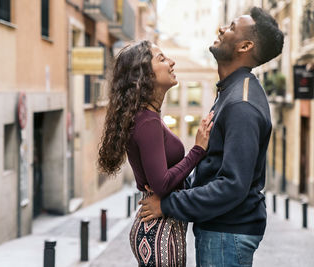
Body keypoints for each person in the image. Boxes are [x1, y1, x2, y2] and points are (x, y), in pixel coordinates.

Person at [139, 7, 284, 267]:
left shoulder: (242, 103)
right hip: (221, 232)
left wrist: (168, 205)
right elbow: (215, 167)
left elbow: (232, 185)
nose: (221, 29)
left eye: (230, 27)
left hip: (226, 234)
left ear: (245, 45)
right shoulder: (231, 92)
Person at [98, 40, 213, 266]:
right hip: (160, 232)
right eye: (162, 59)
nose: (172, 62)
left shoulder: (147, 117)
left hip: (160, 229)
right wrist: (198, 150)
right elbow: (160, 184)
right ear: (144, 75)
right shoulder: (147, 121)